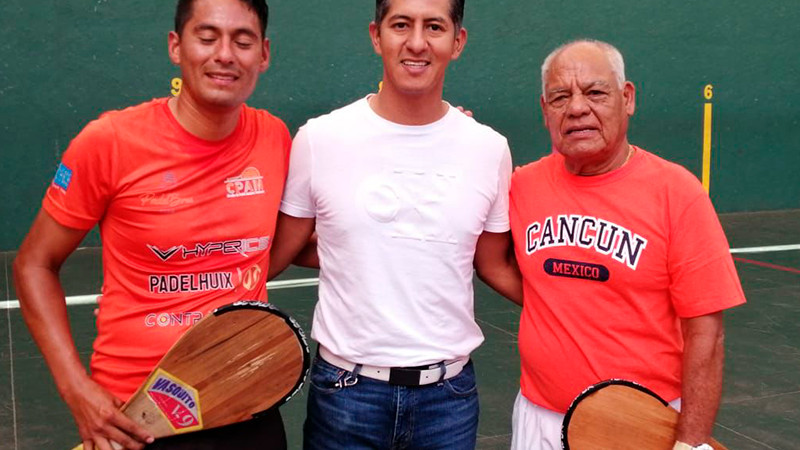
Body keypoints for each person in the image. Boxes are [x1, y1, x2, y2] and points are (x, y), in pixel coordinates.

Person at [12, 0, 291, 448]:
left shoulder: (274, 137)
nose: (225, 54)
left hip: (244, 398)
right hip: (133, 414)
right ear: (176, 47)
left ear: (264, 54)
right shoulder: (108, 141)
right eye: (207, 37)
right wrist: (75, 388)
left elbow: (283, 241)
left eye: (243, 41)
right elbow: (34, 264)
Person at [267, 0, 520, 447]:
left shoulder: (488, 149)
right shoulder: (320, 140)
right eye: (401, 24)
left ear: (457, 41)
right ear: (376, 35)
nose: (417, 42)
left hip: (449, 401)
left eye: (434, 27)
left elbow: (493, 263)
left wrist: (581, 309)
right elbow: (273, 255)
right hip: (345, 395)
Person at [507, 39, 746, 450]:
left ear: (627, 98)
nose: (577, 108)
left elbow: (707, 332)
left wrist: (691, 442)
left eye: (595, 92)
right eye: (560, 97)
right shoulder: (521, 185)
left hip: (641, 426)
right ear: (545, 111)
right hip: (538, 418)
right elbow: (490, 260)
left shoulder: (677, 192)